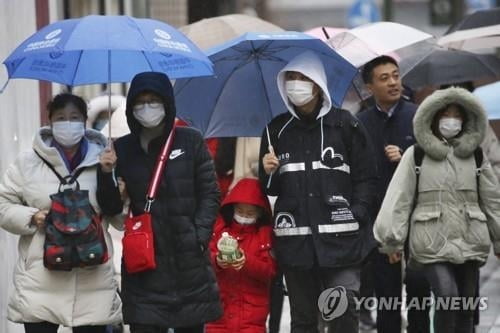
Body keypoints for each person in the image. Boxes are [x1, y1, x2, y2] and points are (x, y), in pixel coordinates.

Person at [259, 51, 377, 332]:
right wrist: (267, 171)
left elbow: (367, 177)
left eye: (302, 78)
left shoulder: (345, 124)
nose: (296, 84)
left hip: (342, 242)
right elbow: (268, 190)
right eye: (291, 79)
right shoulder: (275, 130)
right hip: (296, 244)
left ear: (318, 83)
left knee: (343, 307)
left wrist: (356, 213)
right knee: (303, 320)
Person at [97, 72, 222, 333]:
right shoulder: (123, 149)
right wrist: (106, 172)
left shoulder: (191, 141)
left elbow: (210, 194)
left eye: (154, 100)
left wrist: (198, 236)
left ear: (167, 102)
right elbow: (110, 208)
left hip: (188, 265)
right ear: (131, 107)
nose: (147, 107)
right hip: (144, 265)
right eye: (140, 102)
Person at [374, 87, 500, 333]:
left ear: (466, 119)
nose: (451, 120)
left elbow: (492, 200)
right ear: (432, 117)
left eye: (457, 114)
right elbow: (399, 198)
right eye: (445, 114)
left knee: (465, 304)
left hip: (470, 239)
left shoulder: (475, 156)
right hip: (430, 241)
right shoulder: (417, 155)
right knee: (447, 295)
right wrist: (392, 240)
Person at [0, 93, 122, 333]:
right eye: (61, 118)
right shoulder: (28, 162)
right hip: (41, 279)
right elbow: (3, 203)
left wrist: (108, 175)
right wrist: (31, 216)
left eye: (74, 117)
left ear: (85, 122)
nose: (68, 123)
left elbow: (119, 218)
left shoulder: (105, 160)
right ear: (50, 121)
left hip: (92, 277)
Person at [357, 55, 430, 333]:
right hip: (380, 220)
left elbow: (433, 164)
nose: (393, 83)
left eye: (396, 75)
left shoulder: (419, 116)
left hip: (418, 218)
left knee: (419, 289)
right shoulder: (360, 123)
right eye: (384, 78)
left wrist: (407, 159)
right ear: (369, 87)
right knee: (386, 294)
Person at [206, 178, 277, 333]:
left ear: (259, 213)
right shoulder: (218, 231)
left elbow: (270, 271)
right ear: (232, 210)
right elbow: (203, 264)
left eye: (250, 213)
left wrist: (247, 262)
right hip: (218, 318)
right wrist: (217, 261)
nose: (244, 216)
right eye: (240, 211)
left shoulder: (264, 237)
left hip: (251, 321)